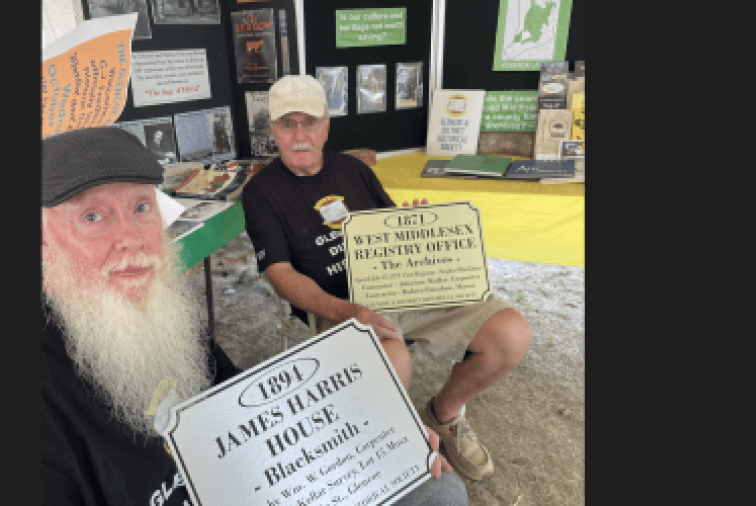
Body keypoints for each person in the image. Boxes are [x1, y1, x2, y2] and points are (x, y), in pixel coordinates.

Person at [41, 127, 468, 505]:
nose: (131, 240)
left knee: (435, 488)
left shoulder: (158, 306)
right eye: (92, 216)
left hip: (245, 482)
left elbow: (237, 402)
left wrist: (368, 437)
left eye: (140, 208)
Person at [241, 75, 532, 482]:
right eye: (287, 124)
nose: (299, 135)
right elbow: (281, 273)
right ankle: (384, 453)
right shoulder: (261, 193)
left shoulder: (352, 170)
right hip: (337, 303)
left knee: (510, 333)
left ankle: (443, 414)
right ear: (272, 130)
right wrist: (345, 310)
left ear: (326, 124)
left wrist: (416, 228)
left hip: (403, 284)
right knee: (393, 360)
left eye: (309, 122)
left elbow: (392, 226)